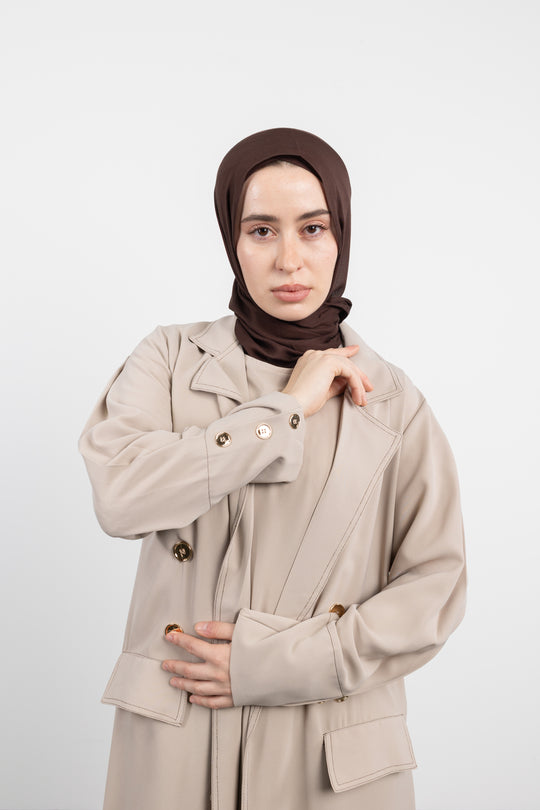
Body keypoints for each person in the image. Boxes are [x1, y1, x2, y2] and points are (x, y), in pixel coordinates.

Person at [79, 128, 466, 810]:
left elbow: (435, 589)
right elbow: (121, 497)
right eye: (262, 230)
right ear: (232, 239)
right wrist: (284, 411)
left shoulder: (394, 404)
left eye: (312, 228)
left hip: (329, 758)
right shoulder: (168, 360)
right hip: (177, 746)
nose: (290, 258)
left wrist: (275, 664)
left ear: (340, 233)